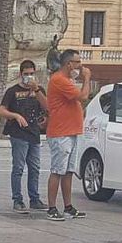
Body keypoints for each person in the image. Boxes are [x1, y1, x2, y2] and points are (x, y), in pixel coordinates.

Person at [44, 49, 93, 220]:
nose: (80, 65)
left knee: (68, 171)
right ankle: (51, 208)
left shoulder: (67, 80)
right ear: (69, 64)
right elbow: (83, 96)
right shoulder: (59, 80)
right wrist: (87, 78)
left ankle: (68, 206)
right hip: (61, 132)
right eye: (77, 62)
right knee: (58, 170)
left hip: (71, 131)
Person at [0, 59, 47, 212]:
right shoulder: (12, 91)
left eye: (31, 73)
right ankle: (17, 199)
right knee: (18, 167)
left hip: (34, 133)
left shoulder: (39, 90)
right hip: (18, 133)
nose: (29, 77)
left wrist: (36, 90)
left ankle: (34, 198)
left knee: (35, 167)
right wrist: (15, 116)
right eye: (26, 74)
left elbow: (47, 106)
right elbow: (1, 110)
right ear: (21, 74)